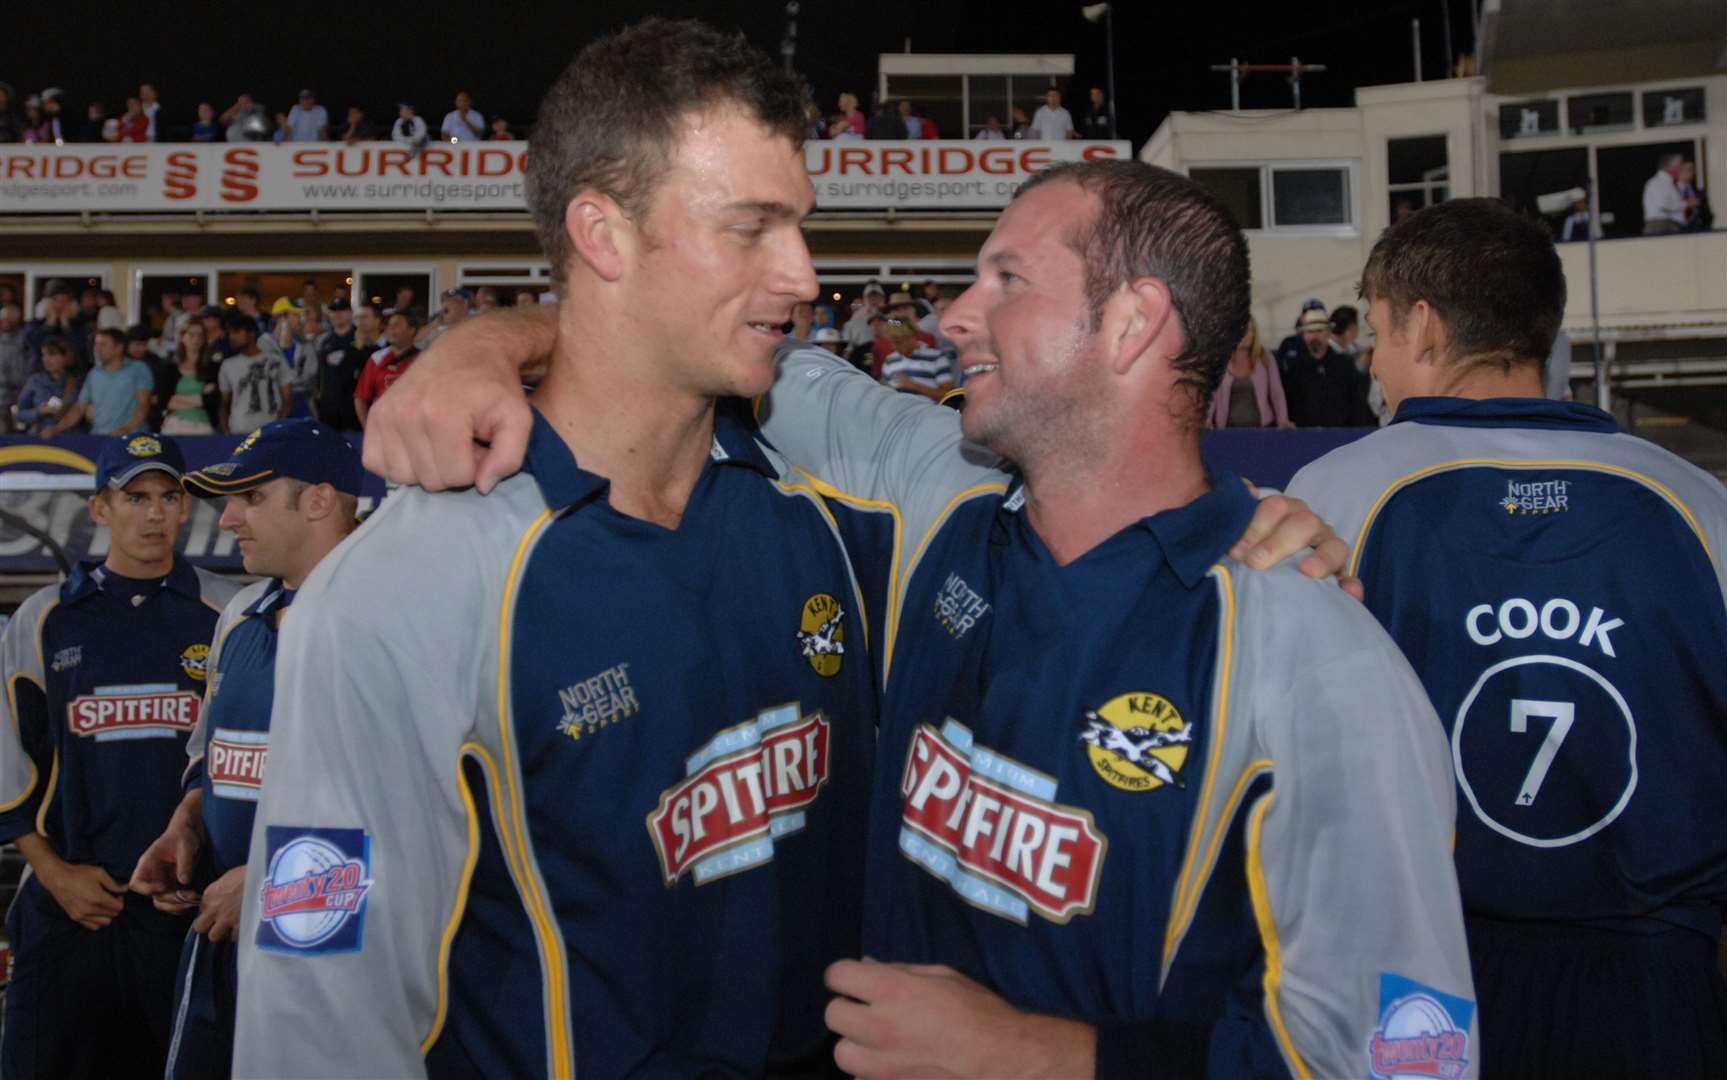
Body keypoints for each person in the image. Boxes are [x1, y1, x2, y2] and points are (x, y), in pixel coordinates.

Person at [363, 160, 1469, 1077]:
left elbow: (1405, 1056)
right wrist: (483, 344)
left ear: (1130, 324)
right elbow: (670, 339)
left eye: (1005, 279)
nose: (951, 314)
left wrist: (1040, 1056)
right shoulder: (935, 499)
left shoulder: (1315, 656)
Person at [231, 19, 881, 1077]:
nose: (805, 273)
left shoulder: (834, 510)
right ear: (603, 235)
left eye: (799, 226)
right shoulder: (401, 590)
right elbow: (320, 1019)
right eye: (751, 228)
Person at [1287, 197, 1727, 1078]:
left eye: (1374, 332)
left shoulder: (1332, 496)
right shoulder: (1700, 505)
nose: (1371, 364)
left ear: (1423, 323)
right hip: (1659, 988)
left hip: (1420, 989)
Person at [0, 434, 242, 1079]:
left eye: (169, 496)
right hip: (70, 901)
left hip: (184, 912)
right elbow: (7, 758)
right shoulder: (44, 619)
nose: (155, 513)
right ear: (100, 508)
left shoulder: (228, 615)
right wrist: (54, 874)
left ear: (186, 507)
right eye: (135, 497)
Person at [132, 420, 362, 1080]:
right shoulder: (239, 616)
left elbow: (425, 809)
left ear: (319, 500)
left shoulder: (389, 621)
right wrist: (189, 823)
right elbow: (217, 756)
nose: (227, 519)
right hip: (224, 936)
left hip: (335, 958)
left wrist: (270, 883)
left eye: (250, 499)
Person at [1277, 304, 1366, 427]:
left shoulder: (1345, 365)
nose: (1314, 336)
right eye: (1310, 331)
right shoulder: (1294, 369)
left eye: (1319, 331)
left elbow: (1356, 405)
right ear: (1303, 335)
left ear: (1329, 332)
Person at [58, 327, 151, 436]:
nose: (97, 349)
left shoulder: (138, 369)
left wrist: (127, 429)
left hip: (130, 438)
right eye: (96, 344)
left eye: (103, 345)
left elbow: (143, 404)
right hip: (99, 437)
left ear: (119, 348)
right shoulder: (94, 373)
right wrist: (57, 428)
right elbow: (79, 408)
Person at [217, 312, 293, 436]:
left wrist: (279, 425)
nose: (232, 337)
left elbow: (288, 398)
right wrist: (226, 432)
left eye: (236, 332)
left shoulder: (276, 360)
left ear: (251, 334)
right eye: (230, 333)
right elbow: (224, 404)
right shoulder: (228, 365)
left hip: (270, 431)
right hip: (238, 430)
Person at [1210, 318, 1292, 429]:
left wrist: (1283, 421)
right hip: (1227, 431)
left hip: (1263, 430)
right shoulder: (1220, 360)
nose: (1245, 335)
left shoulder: (1265, 358)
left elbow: (1276, 393)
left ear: (1254, 334)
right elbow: (1212, 396)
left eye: (1249, 330)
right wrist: (1207, 419)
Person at [352, 308, 419, 427]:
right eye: (389, 325)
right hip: (383, 430)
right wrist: (368, 427)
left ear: (412, 330)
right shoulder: (377, 359)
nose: (390, 329)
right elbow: (360, 397)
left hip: (413, 430)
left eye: (397, 325)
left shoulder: (424, 360)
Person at [313, 298, 372, 431]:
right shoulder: (324, 341)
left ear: (350, 313)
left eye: (342, 310)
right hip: (329, 410)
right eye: (334, 310)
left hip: (354, 410)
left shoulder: (361, 337)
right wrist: (319, 400)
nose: (338, 314)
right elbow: (320, 376)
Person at [156, 319, 218, 435]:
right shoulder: (169, 369)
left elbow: (213, 401)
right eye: (191, 334)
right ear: (182, 337)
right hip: (174, 425)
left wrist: (177, 398)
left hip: (203, 426)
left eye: (200, 335)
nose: (196, 339)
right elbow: (164, 402)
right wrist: (200, 398)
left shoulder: (212, 368)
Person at [16, 337, 79, 435]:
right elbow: (20, 414)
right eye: (43, 355)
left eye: (52, 354)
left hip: (70, 438)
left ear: (66, 357)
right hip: (40, 436)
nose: (46, 359)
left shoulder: (76, 382)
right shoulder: (35, 380)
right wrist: (39, 412)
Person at [1641, 152, 1694, 235]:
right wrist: (1686, 204)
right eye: (1679, 165)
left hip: (1669, 226)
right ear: (1671, 167)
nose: (1681, 168)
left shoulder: (1669, 184)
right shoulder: (1657, 182)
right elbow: (1663, 204)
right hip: (1662, 227)